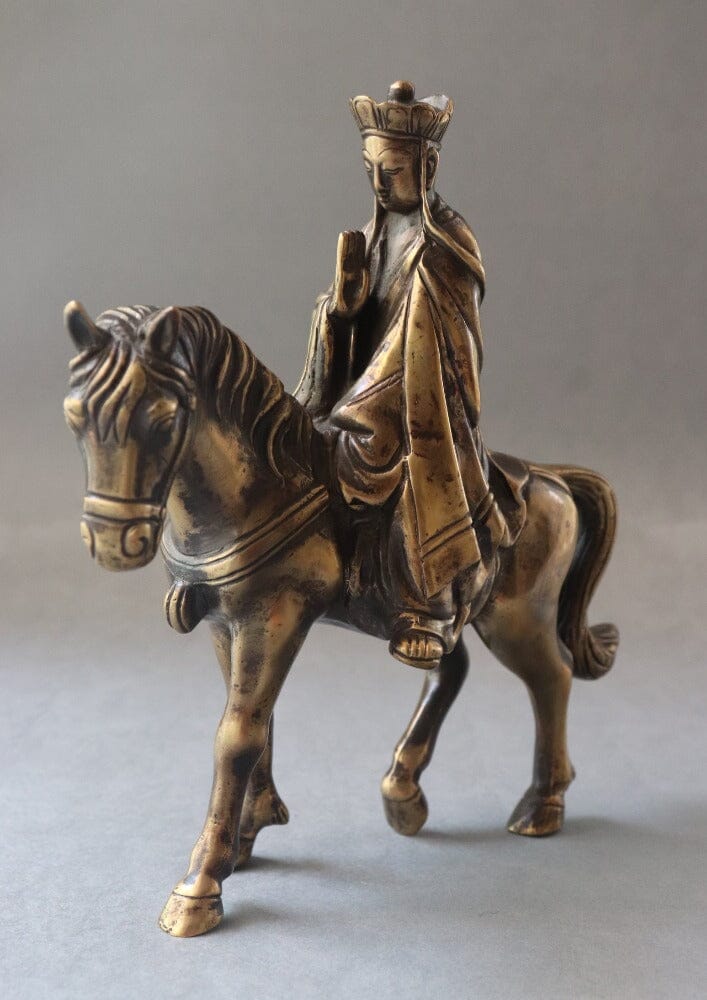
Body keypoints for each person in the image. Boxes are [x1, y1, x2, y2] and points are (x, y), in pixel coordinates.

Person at [295, 81, 527, 669]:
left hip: (421, 404)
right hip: (365, 389)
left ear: (428, 167)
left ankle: (428, 602)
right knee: (304, 448)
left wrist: (363, 403)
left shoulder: (447, 244)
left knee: (392, 463)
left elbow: (425, 341)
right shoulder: (372, 238)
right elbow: (355, 321)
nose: (379, 183)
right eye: (370, 169)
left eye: (392, 170)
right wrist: (341, 310)